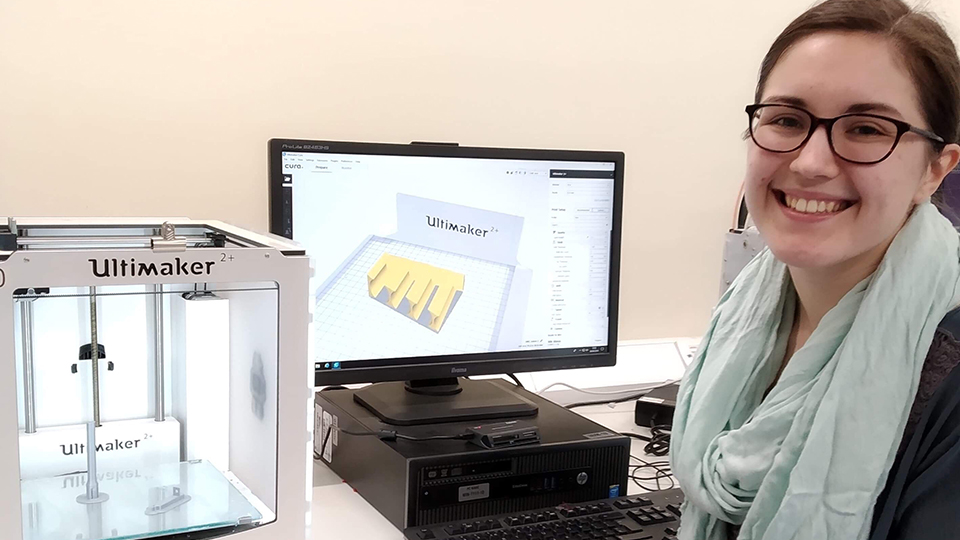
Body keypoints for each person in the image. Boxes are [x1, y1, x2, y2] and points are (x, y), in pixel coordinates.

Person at [668, 0, 960, 539]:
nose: (810, 163)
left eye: (867, 129)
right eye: (786, 120)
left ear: (935, 171)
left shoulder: (949, 378)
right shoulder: (741, 319)